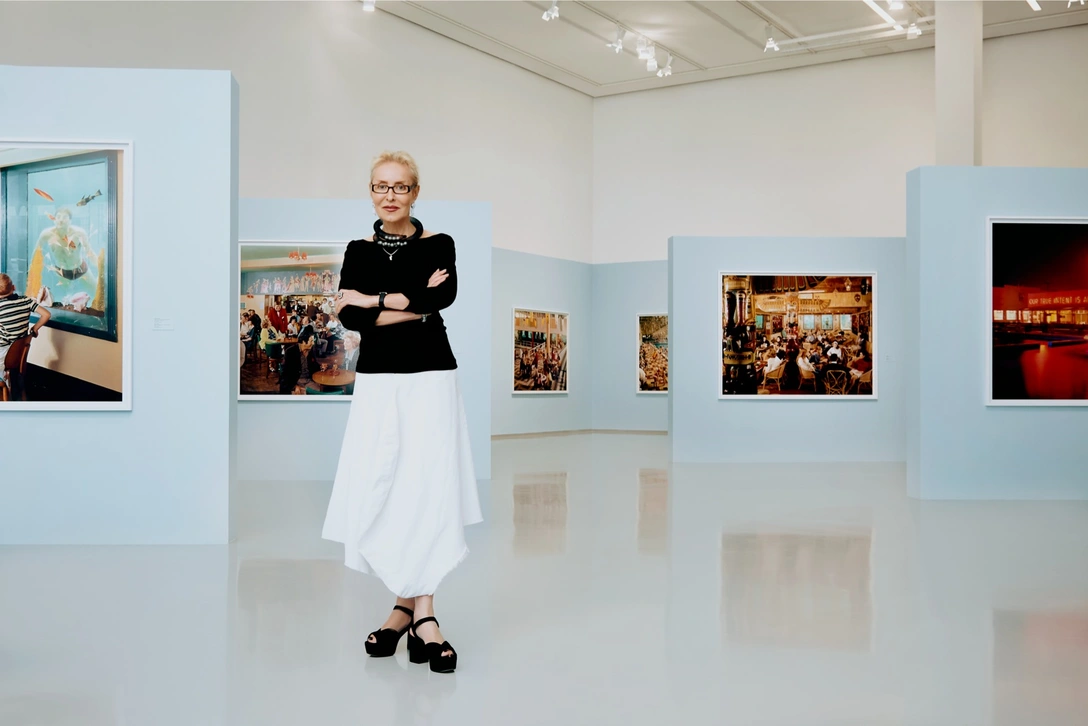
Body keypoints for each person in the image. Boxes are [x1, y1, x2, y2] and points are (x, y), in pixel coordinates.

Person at [322, 150, 481, 675]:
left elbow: (443, 298)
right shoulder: (358, 249)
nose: (389, 195)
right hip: (379, 379)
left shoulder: (439, 244)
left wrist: (372, 298)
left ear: (415, 192)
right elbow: (350, 319)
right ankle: (403, 607)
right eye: (380, 186)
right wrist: (411, 303)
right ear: (371, 191)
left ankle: (422, 613)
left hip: (431, 374)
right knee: (386, 483)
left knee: (427, 483)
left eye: (400, 186)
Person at [0, 273, 51, 391]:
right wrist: (35, 328)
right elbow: (46, 314)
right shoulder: (26, 300)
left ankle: (2, 378)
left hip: (3, 355)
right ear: (13, 287)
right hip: (18, 354)